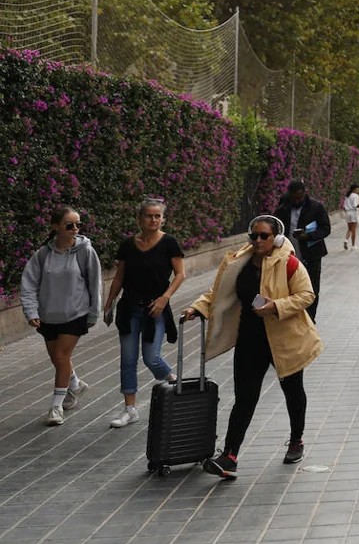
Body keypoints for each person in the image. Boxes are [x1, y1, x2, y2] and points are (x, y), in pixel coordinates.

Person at [181, 215, 322, 478]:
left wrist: (275, 306)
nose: (257, 240)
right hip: (249, 337)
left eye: (264, 236)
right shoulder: (239, 261)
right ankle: (230, 456)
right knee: (245, 397)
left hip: (284, 339)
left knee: (293, 392)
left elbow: (306, 295)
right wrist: (197, 307)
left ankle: (296, 440)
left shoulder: (289, 263)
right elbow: (218, 292)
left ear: (276, 238)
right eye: (253, 235)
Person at [102, 198, 186, 429]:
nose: (153, 220)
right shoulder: (129, 245)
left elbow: (180, 274)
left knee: (152, 357)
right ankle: (130, 408)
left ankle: (172, 380)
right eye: (149, 216)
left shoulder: (169, 243)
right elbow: (119, 276)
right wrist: (109, 303)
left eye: (157, 216)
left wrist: (164, 298)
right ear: (139, 218)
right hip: (129, 308)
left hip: (155, 308)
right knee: (128, 359)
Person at [20, 206, 102, 426]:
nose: (75, 229)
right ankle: (75, 385)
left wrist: (94, 312)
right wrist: (31, 311)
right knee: (57, 358)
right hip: (49, 315)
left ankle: (56, 407)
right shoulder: (43, 254)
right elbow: (28, 285)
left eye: (78, 225)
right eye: (69, 225)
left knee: (62, 355)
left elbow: (95, 282)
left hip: (76, 313)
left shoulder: (85, 251)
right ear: (55, 226)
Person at [273, 180, 330, 321]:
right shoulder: (283, 208)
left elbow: (325, 228)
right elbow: (275, 227)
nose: (297, 200)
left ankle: (310, 319)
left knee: (311, 288)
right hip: (289, 255)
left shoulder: (316, 207)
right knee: (291, 288)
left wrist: (308, 235)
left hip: (311, 255)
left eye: (300, 197)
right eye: (294, 197)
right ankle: (295, 318)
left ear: (305, 193)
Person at [342, 184, 359, 251]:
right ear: (354, 189)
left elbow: (344, 206)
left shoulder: (347, 196)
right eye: (358, 188)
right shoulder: (356, 196)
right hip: (353, 213)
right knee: (354, 230)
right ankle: (353, 245)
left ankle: (346, 240)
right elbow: (356, 205)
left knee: (349, 229)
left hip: (347, 213)